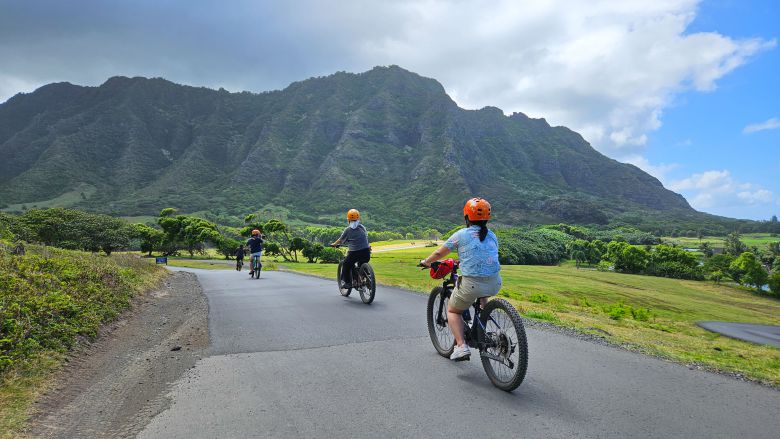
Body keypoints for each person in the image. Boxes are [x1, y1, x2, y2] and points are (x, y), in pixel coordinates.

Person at [420, 197, 501, 361]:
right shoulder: (492, 235)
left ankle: (461, 345)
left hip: (472, 284)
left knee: (453, 310)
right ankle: (484, 326)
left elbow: (438, 254)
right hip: (495, 282)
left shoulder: (461, 234)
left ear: (467, 217)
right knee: (482, 292)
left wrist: (426, 262)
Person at [330, 209, 370, 289]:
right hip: (366, 252)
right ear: (358, 218)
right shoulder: (362, 227)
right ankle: (367, 277)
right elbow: (365, 237)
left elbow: (340, 240)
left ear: (348, 220)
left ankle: (348, 283)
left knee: (346, 264)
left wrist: (334, 244)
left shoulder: (348, 230)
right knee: (361, 263)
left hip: (354, 253)